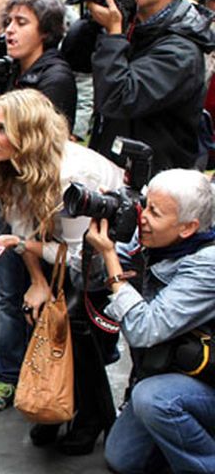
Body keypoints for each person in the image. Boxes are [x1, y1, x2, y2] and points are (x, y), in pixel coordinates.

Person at [0, 89, 124, 454]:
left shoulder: (70, 175)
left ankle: (89, 418)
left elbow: (81, 254)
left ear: (29, 134)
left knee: (79, 331)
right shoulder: (11, 165)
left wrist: (30, 250)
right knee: (49, 319)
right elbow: (22, 228)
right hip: (60, 247)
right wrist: (39, 283)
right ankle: (60, 406)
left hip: (107, 253)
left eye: (2, 129)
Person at [82, 169, 215, 473]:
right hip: (179, 371)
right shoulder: (152, 238)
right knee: (122, 458)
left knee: (152, 400)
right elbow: (82, 277)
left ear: (187, 227)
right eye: (144, 204)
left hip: (203, 381)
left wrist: (112, 259)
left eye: (154, 212)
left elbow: (144, 330)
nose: (142, 216)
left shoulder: (208, 265)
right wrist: (108, 229)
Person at [79, 0, 215, 172]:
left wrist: (114, 33)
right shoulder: (137, 26)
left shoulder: (181, 50)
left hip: (154, 182)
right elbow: (74, 59)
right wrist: (94, 19)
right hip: (113, 167)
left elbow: (118, 99)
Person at [4, 0, 77, 129]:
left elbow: (35, 134)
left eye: (21, 23)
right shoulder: (13, 68)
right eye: (8, 22)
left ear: (45, 31)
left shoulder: (56, 78)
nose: (9, 29)